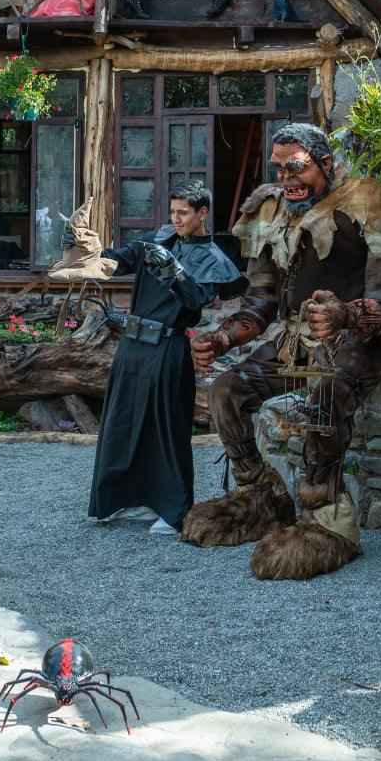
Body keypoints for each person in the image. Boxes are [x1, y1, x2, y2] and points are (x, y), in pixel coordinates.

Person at [182, 124, 381, 580]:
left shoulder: (371, 201)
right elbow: (261, 301)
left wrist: (345, 314)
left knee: (326, 400)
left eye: (297, 167)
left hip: (355, 340)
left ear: (324, 162)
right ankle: (260, 497)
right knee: (225, 390)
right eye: (280, 168)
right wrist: (222, 339)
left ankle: (325, 517)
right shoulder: (271, 208)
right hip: (290, 342)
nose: (287, 178)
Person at [88, 182, 240, 534]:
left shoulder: (213, 259)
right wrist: (89, 254)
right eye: (172, 212)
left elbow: (193, 298)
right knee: (120, 423)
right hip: (132, 345)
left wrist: (171, 267)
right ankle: (122, 497)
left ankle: (172, 509)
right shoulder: (161, 238)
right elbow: (121, 259)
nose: (176, 219)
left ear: (203, 213)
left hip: (167, 348)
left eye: (183, 213)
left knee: (166, 428)